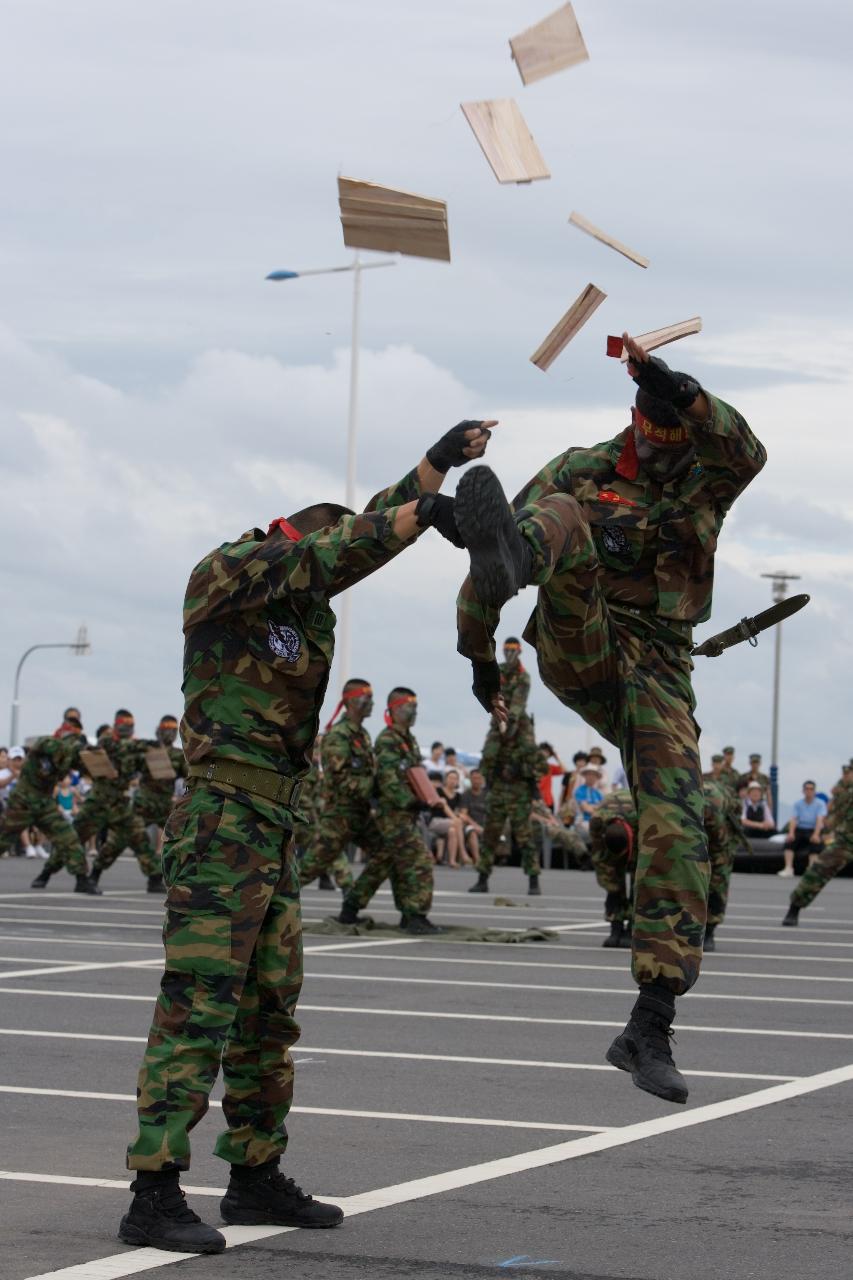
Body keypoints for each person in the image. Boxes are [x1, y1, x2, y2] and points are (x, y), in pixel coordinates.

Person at [120, 419, 494, 1253]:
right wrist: (422, 517)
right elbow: (342, 548)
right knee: (199, 1006)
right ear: (295, 535)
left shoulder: (302, 591)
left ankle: (253, 1175)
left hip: (276, 823)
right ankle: (153, 1188)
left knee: (267, 1012)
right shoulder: (232, 571)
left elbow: (365, 530)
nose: (342, 565)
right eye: (336, 548)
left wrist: (437, 464)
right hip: (220, 822)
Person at [452, 332, 766, 1104]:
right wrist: (479, 659)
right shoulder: (581, 470)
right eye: (653, 437)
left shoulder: (707, 470)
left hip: (659, 662)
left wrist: (689, 392)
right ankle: (534, 557)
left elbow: (747, 453)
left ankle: (648, 1025)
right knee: (553, 517)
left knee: (679, 816)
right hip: (579, 632)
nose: (662, 453)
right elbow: (484, 566)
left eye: (676, 438)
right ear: (632, 424)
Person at [338, 687, 442, 931]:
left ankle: (351, 907)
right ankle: (416, 914)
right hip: (394, 814)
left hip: (406, 814)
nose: (414, 712)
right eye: (409, 707)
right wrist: (413, 800)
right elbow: (388, 780)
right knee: (420, 860)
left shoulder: (408, 739)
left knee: (387, 862)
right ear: (394, 709)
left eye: (415, 708)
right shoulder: (388, 740)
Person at [298, 679, 380, 893]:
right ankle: (266, 909)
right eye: (367, 698)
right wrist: (375, 785)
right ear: (352, 702)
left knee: (386, 853)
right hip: (338, 817)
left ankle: (351, 907)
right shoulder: (338, 735)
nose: (371, 703)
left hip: (359, 814)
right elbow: (340, 779)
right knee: (307, 870)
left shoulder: (362, 735)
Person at [0, 721, 100, 893]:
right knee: (3, 839)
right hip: (23, 801)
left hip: (45, 803)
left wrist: (92, 754)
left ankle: (81, 879)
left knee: (68, 838)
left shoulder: (70, 755)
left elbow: (89, 768)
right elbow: (46, 747)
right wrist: (73, 747)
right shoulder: (47, 743)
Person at [75, 710, 162, 892]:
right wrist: (145, 744)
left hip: (120, 804)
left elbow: (147, 767)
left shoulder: (135, 751)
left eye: (130, 725)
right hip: (99, 801)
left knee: (138, 836)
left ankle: (154, 878)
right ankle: (53, 873)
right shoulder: (107, 742)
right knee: (73, 838)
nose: (127, 729)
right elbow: (122, 748)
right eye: (123, 725)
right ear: (115, 725)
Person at [783, 763, 853, 925]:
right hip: (847, 840)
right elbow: (834, 814)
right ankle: (794, 908)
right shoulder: (844, 789)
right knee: (818, 871)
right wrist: (828, 832)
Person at [589, 788, 636, 947]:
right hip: (611, 830)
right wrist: (612, 885)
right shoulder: (597, 822)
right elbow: (599, 858)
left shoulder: (645, 818)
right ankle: (615, 928)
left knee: (641, 887)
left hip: (641, 835)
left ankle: (632, 929)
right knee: (613, 886)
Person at [134, 716, 188, 856]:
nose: (168, 733)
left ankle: (159, 854)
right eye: (165, 729)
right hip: (144, 801)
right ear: (158, 730)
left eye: (171, 730)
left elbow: (189, 776)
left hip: (164, 802)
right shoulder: (146, 749)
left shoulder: (178, 755)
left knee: (167, 831)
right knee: (132, 830)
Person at [777, 780, 827, 877]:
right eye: (806, 789)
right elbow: (793, 819)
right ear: (803, 791)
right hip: (800, 828)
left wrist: (816, 834)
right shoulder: (798, 804)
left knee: (816, 844)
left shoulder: (820, 804)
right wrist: (791, 833)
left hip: (813, 829)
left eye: (811, 789)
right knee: (789, 842)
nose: (809, 791)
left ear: (814, 791)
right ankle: (788, 868)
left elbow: (819, 819)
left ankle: (811, 869)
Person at [573, 763, 604, 834]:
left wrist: (594, 808)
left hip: (597, 822)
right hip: (583, 822)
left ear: (597, 777)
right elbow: (586, 808)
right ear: (585, 776)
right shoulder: (580, 790)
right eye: (589, 774)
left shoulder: (598, 793)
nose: (591, 777)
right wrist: (596, 809)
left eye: (594, 775)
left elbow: (603, 808)